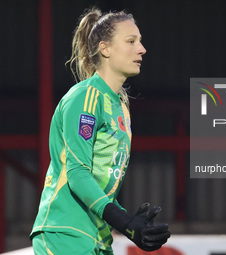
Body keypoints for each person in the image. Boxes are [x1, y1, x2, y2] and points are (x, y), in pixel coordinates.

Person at [30, 7, 170, 255]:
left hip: (98, 240)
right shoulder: (85, 97)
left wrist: (129, 225)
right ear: (105, 49)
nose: (142, 49)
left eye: (140, 41)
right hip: (65, 234)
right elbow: (77, 173)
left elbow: (101, 185)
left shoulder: (121, 109)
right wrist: (123, 221)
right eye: (131, 41)